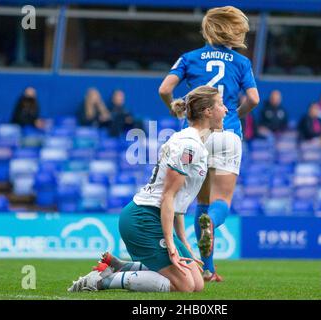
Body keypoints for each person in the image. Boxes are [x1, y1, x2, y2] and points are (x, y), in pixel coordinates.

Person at [68, 86, 228, 293]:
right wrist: (171, 244)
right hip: (142, 219)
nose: (226, 110)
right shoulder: (189, 145)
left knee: (197, 284)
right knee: (185, 286)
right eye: (221, 104)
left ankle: (121, 266)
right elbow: (168, 196)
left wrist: (184, 242)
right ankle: (102, 281)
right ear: (208, 111)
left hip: (154, 217)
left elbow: (177, 202)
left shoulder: (193, 142)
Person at [158, 6, 260, 281]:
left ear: (206, 30)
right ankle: (212, 224)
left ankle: (209, 268)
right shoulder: (240, 62)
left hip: (195, 137)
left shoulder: (189, 58)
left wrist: (175, 108)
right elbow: (254, 99)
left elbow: (165, 89)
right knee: (220, 202)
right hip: (227, 133)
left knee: (201, 202)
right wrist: (235, 114)